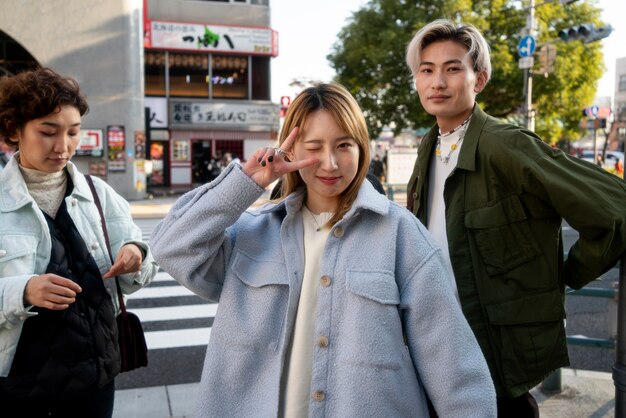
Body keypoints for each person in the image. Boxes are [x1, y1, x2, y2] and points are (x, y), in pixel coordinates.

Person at [150, 82, 496, 417]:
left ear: (362, 148)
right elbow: (172, 247)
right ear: (291, 151)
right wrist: (247, 182)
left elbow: (454, 367)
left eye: (344, 145)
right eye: (314, 147)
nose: (329, 163)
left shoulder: (401, 235)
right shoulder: (254, 234)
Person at [405, 19, 626, 417]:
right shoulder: (428, 147)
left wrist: (566, 274)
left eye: (453, 68)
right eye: (426, 70)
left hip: (494, 364)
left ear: (480, 79)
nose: (437, 81)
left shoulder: (506, 145)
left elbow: (614, 208)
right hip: (435, 353)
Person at [0, 68, 158, 417]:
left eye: (73, 132)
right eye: (48, 132)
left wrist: (136, 255)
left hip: (95, 377)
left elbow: (141, 269)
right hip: (18, 384)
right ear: (14, 130)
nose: (63, 146)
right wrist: (23, 291)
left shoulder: (98, 194)